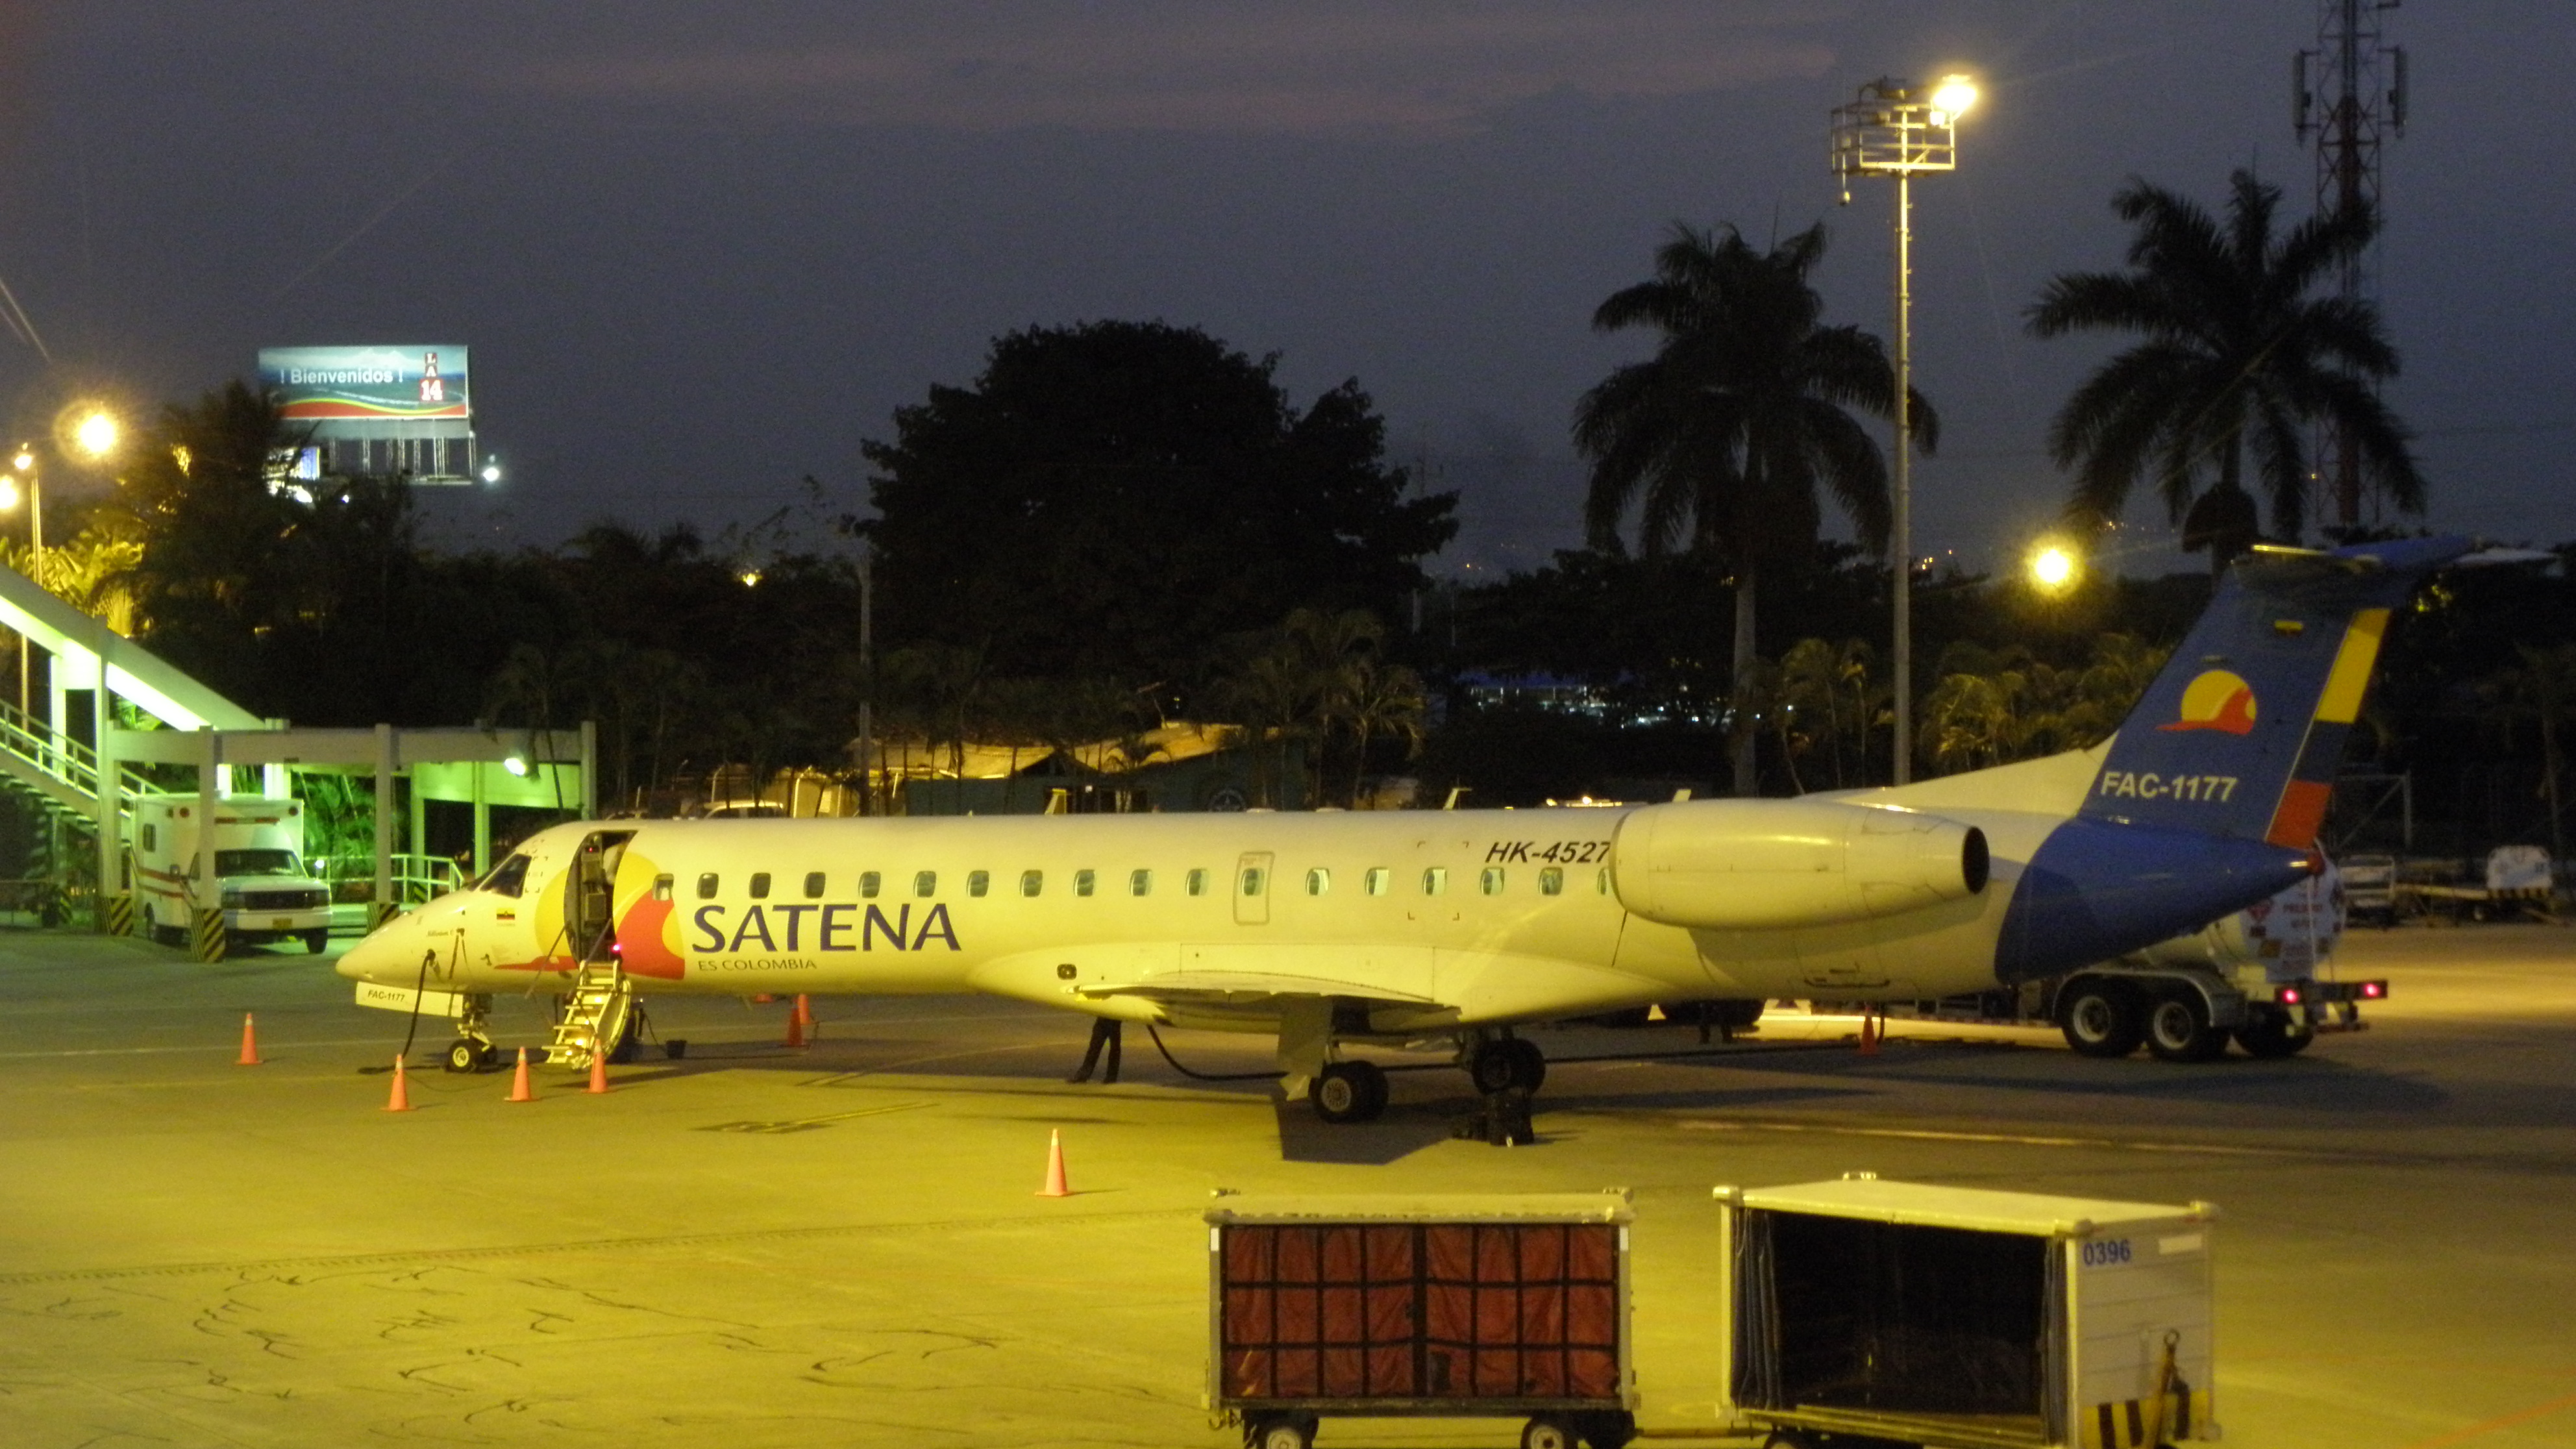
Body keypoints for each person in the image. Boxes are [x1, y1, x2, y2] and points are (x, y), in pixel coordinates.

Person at [1068, 1015, 1122, 1084]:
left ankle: (1110, 1077)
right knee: (1097, 1048)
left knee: (1112, 1049)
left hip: (1111, 1020)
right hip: (1108, 1019)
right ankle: (1110, 1077)